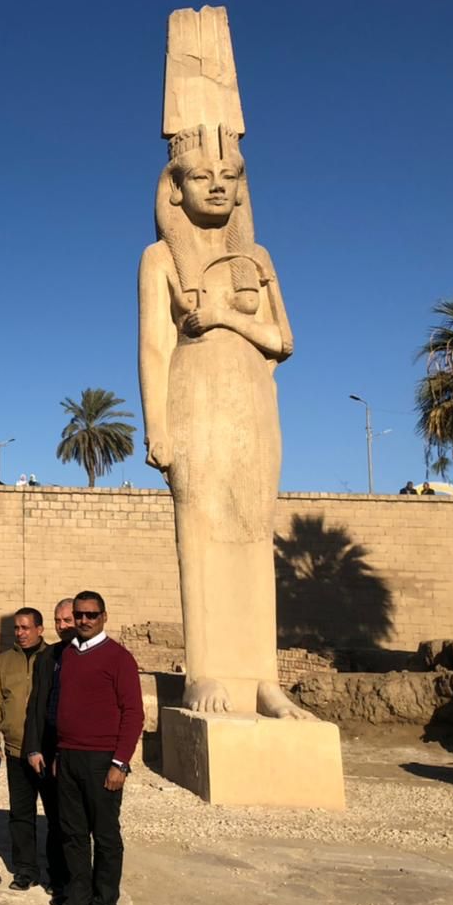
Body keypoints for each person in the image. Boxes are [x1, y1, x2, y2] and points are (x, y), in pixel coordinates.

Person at [137, 111, 309, 719]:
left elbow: (282, 340)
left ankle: (262, 679)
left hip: (251, 398)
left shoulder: (254, 257)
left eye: (228, 176)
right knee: (200, 530)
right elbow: (154, 346)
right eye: (201, 176)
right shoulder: (160, 257)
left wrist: (222, 317)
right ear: (174, 187)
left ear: (241, 186)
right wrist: (156, 426)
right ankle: (205, 672)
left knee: (254, 531)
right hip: (193, 395)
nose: (216, 185)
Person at [50, 592, 142, 905]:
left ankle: (104, 901)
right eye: (79, 615)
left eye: (91, 615)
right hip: (68, 757)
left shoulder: (119, 658)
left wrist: (120, 763)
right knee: (72, 833)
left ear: (104, 616)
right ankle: (78, 897)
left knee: (105, 836)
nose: (84, 620)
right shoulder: (68, 655)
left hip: (102, 760)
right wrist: (60, 754)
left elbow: (133, 713)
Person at [0, 605, 57, 892]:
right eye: (17, 628)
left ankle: (56, 873)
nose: (20, 633)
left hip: (48, 753)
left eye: (26, 628)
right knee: (21, 815)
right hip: (15, 751)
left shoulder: (54, 658)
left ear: (40, 629)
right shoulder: (2, 663)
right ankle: (26, 870)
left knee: (56, 816)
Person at [21, 599, 77, 897]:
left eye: (67, 620)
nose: (62, 626)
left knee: (76, 822)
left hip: (79, 751)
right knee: (56, 819)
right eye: (58, 620)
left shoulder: (93, 655)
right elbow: (36, 706)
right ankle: (59, 881)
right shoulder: (48, 657)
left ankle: (80, 881)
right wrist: (33, 748)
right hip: (50, 747)